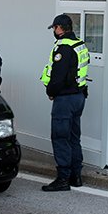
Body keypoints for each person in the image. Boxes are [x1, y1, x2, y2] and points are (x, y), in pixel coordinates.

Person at [39, 14, 89, 191]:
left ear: (59, 28)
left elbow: (58, 77)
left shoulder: (64, 48)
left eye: (54, 28)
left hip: (65, 99)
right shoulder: (79, 44)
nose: (53, 31)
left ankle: (63, 179)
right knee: (74, 137)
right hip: (79, 97)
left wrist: (50, 92)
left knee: (60, 138)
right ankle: (76, 176)